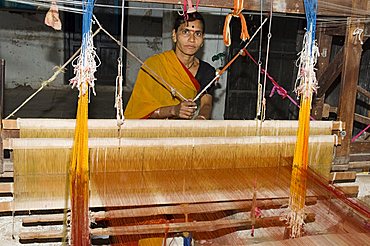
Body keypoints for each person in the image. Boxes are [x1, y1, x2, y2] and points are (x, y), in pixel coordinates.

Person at [124, 12, 216, 120]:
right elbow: (139, 109)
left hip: (183, 130)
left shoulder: (207, 71)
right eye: (185, 32)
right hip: (152, 129)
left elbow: (207, 104)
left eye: (197, 34)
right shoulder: (154, 65)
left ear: (202, 39)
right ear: (174, 35)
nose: (192, 39)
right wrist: (173, 110)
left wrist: (201, 118)